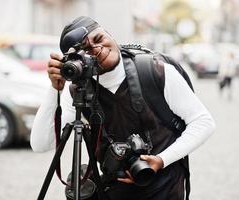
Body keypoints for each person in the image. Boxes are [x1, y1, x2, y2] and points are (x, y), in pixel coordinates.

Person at [30, 16, 215, 200]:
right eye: (85, 50)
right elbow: (40, 144)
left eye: (99, 39)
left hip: (164, 188)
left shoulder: (155, 71)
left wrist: (162, 160)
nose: (97, 49)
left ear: (109, 35)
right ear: (75, 61)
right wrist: (54, 88)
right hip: (113, 190)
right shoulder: (80, 91)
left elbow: (203, 122)